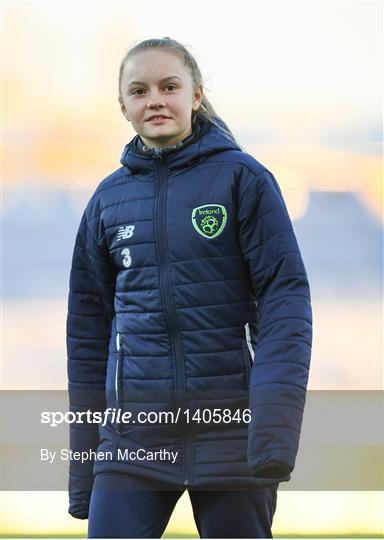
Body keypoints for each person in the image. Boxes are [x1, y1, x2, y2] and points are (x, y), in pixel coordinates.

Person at [66, 37, 313, 538]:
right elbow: (87, 333)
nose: (154, 99)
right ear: (124, 107)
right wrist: (83, 465)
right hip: (133, 440)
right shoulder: (107, 202)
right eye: (139, 90)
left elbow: (285, 302)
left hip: (231, 435)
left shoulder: (243, 179)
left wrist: (271, 434)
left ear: (196, 95)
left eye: (169, 86)